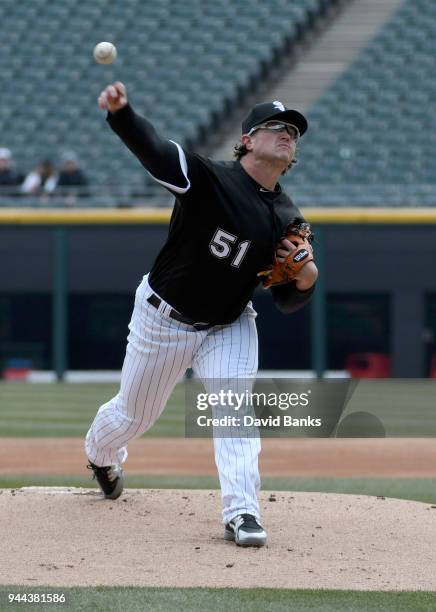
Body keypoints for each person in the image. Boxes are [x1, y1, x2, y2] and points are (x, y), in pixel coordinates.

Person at [85, 82, 318, 547]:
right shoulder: (211, 178)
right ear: (248, 139)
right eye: (276, 126)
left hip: (229, 323)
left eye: (294, 130)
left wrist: (306, 277)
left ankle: (243, 512)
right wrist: (122, 113)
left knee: (234, 409)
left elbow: (289, 300)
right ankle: (100, 454)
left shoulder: (288, 217)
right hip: (162, 319)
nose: (288, 133)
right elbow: (154, 152)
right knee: (133, 416)